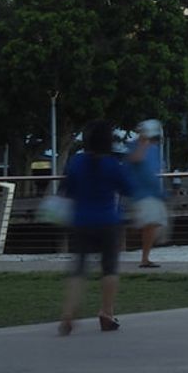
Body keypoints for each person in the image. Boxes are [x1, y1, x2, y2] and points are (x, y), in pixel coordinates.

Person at [59, 119, 134, 335]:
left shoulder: (76, 162)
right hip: (108, 221)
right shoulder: (112, 164)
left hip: (81, 220)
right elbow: (127, 189)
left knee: (78, 270)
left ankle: (68, 313)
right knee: (109, 269)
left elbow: (68, 190)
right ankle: (106, 313)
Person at [126, 119, 168, 269]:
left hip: (153, 192)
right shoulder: (133, 146)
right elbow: (135, 160)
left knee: (155, 224)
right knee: (150, 224)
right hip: (142, 193)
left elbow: (156, 170)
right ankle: (144, 258)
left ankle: (144, 253)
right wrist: (142, 144)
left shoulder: (154, 149)